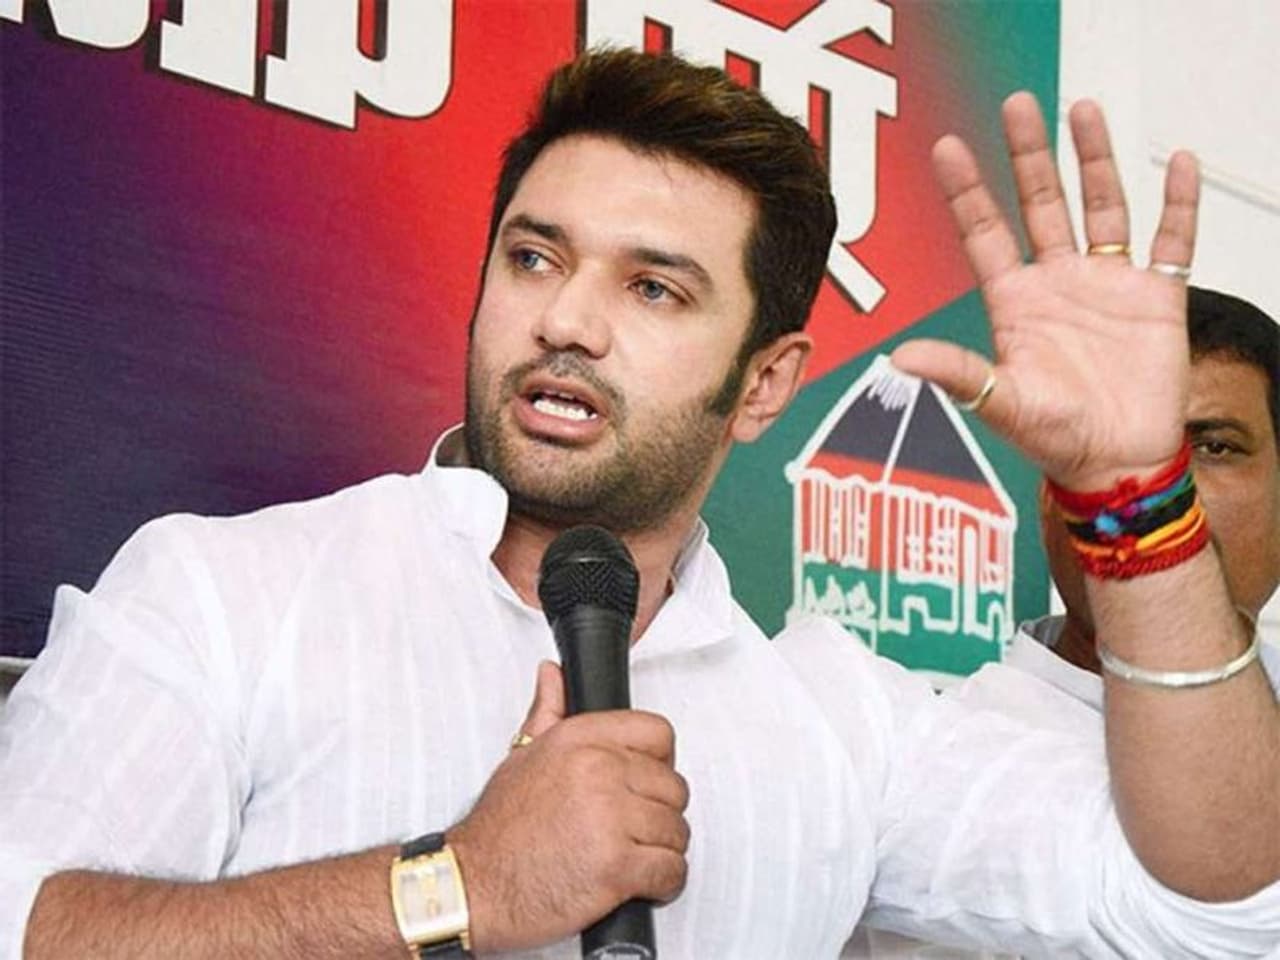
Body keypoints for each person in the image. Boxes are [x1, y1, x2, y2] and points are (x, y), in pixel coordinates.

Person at [0, 48, 1277, 959]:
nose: (564, 319)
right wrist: (450, 887)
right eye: (533, 257)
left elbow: (1212, 914)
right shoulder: (223, 594)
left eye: (653, 288)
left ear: (764, 383)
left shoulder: (842, 724)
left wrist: (1132, 495)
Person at [1001, 287, 1279, 701]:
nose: (1160, 488)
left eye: (1215, 448)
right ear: (1049, 496)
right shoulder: (930, 736)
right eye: (1116, 445)